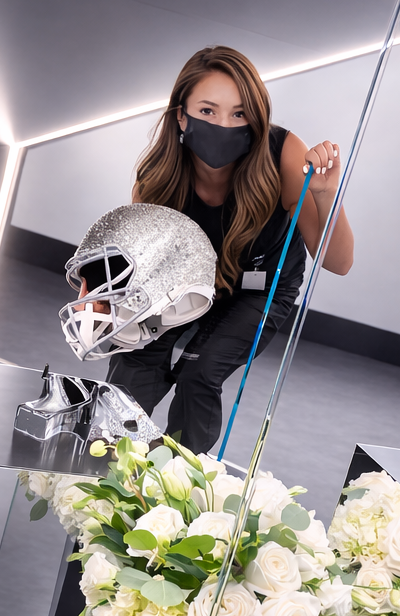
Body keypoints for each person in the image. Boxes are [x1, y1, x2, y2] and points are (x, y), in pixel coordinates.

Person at [102, 44, 353, 454]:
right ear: (181, 115)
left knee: (200, 374)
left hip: (259, 290)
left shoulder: (283, 153)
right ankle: (109, 464)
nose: (223, 124)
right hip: (187, 282)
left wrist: (326, 196)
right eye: (207, 110)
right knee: (134, 362)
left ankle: (181, 480)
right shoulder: (157, 177)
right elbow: (143, 269)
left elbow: (339, 262)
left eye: (239, 114)